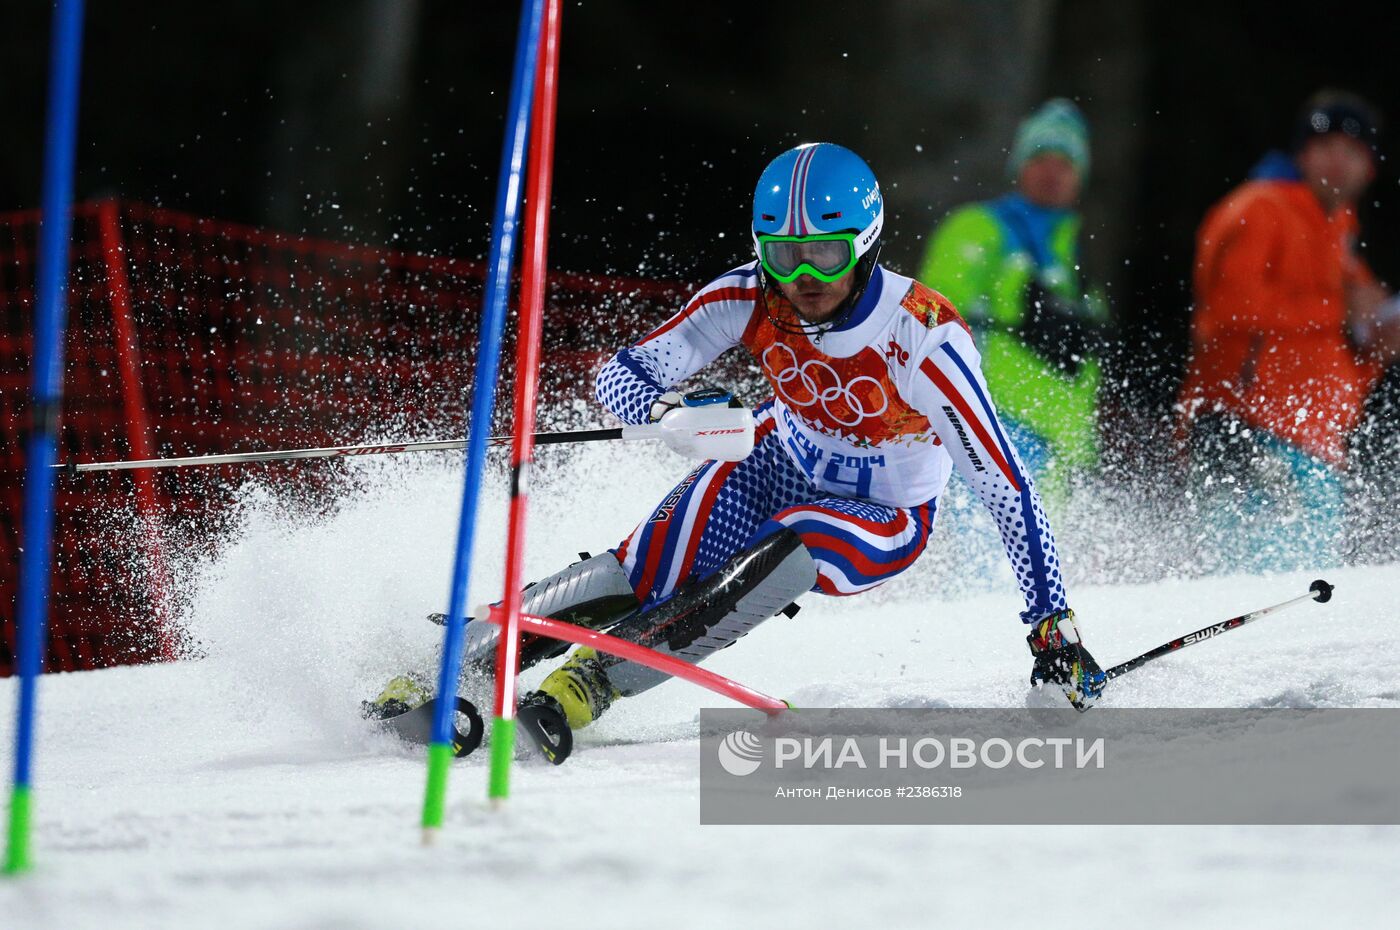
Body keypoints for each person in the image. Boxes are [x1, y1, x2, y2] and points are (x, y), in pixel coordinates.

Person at [368, 143, 1107, 758]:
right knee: (641, 570)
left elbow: (1005, 484)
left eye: (824, 253)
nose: (804, 277)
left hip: (882, 514)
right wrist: (669, 414)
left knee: (788, 551)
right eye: (784, 254)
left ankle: (587, 686)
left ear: (867, 243)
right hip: (775, 460)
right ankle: (447, 664)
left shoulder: (922, 336)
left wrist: (1052, 627)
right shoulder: (751, 295)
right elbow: (620, 374)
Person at [1176, 90, 1400, 571]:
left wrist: (1379, 348)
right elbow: (1228, 311)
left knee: (1298, 606)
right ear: (1302, 152)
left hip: (1315, 449)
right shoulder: (1260, 206)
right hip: (1246, 433)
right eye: (1327, 147)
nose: (1339, 161)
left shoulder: (1337, 229)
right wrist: (1340, 309)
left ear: (1371, 167)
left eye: (1353, 152)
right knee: (1246, 594)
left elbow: (1330, 351)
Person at [918, 99, 1110, 505]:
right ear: (1019, 165)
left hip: (1060, 451)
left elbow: (1089, 361)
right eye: (1041, 158)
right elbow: (929, 319)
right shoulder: (977, 227)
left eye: (1066, 163)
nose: (1052, 172)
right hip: (988, 427)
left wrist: (1083, 446)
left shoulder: (1077, 253)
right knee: (986, 563)